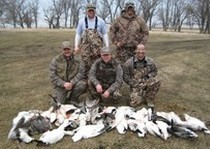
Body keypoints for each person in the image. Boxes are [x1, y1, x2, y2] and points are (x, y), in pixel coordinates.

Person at [74, 3, 109, 79]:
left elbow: (105, 34)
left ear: (95, 11)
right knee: (85, 63)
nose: (91, 12)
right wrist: (76, 46)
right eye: (89, 11)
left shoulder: (100, 21)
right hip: (85, 49)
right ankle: (87, 81)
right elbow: (78, 34)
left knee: (98, 63)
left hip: (97, 49)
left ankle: (98, 79)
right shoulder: (81, 21)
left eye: (92, 11)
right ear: (87, 11)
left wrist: (107, 46)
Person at [49, 41, 87, 105]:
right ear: (61, 50)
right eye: (65, 49)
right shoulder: (56, 60)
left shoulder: (78, 59)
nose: (67, 51)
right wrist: (63, 84)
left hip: (73, 83)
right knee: (56, 104)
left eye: (68, 49)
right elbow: (52, 76)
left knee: (82, 84)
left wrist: (72, 83)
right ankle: (62, 98)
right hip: (61, 85)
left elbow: (81, 73)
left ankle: (73, 99)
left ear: (72, 49)